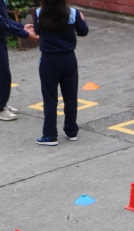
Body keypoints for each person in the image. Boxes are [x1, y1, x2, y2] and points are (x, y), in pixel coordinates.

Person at [33, 0, 88, 146]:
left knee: (50, 98)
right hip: (68, 58)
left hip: (49, 59)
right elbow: (83, 32)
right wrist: (81, 20)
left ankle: (50, 134)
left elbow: (37, 32)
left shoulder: (39, 13)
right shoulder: (73, 13)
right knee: (70, 96)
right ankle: (71, 130)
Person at [0, 0, 38, 120]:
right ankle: (0, 110)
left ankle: (2, 104)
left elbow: (5, 20)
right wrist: (25, 34)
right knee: (2, 75)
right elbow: (4, 23)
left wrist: (22, 26)